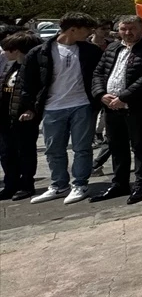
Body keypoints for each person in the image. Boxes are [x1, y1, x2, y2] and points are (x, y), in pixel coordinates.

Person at [26, 13, 103, 204]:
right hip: (52, 106)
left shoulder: (90, 51)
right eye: (86, 30)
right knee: (53, 149)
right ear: (73, 29)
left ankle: (80, 184)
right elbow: (27, 82)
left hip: (82, 104)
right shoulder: (40, 52)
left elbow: (99, 75)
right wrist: (29, 107)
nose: (89, 33)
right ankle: (59, 185)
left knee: (82, 148)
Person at [88, 15, 142, 205]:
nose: (127, 33)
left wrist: (124, 97)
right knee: (116, 146)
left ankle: (141, 184)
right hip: (110, 107)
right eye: (123, 29)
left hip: (135, 107)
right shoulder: (113, 47)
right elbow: (98, 72)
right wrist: (101, 94)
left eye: (132, 29)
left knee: (140, 146)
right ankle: (119, 183)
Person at [0, 31, 41, 199]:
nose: (4, 53)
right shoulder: (10, 67)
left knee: (25, 152)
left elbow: (37, 92)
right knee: (6, 152)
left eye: (8, 49)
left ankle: (26, 185)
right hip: (5, 116)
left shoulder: (32, 68)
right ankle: (10, 184)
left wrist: (31, 110)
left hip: (23, 116)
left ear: (17, 50)